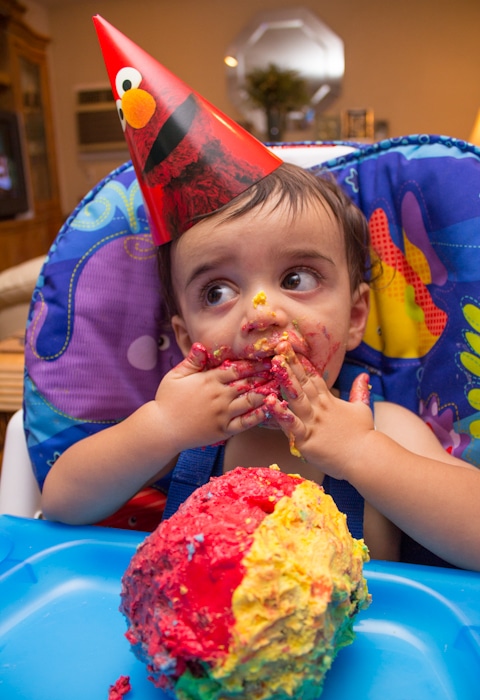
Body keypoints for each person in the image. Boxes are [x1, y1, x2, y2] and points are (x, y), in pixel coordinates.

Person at [42, 161, 480, 571]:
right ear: (184, 339)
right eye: (217, 292)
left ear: (355, 317)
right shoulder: (183, 434)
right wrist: (162, 426)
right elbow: (61, 502)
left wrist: (361, 453)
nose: (261, 312)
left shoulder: (381, 428)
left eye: (297, 279)